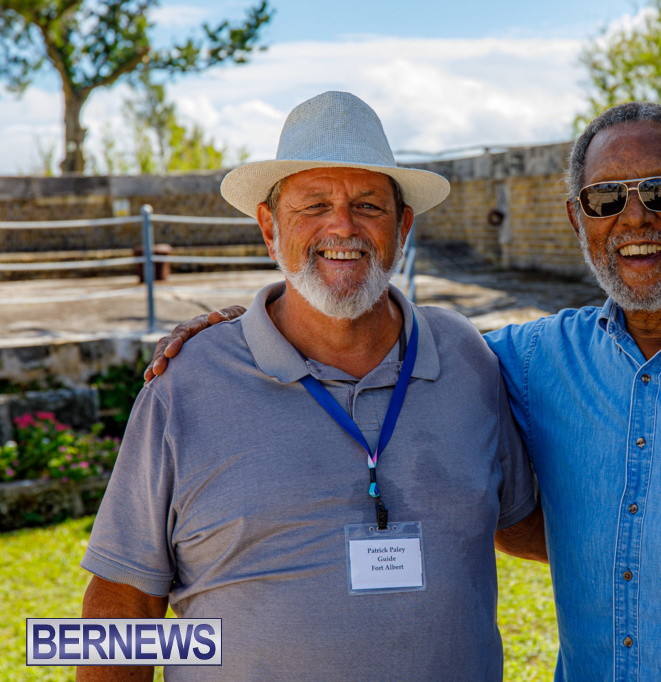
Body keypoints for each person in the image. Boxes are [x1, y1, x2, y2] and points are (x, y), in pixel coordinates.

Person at [148, 101, 661, 681]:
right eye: (607, 199)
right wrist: (250, 329)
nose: (636, 219)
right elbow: (110, 608)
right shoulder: (184, 395)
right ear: (577, 217)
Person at [80, 91, 543, 682]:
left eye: (369, 205)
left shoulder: (465, 357)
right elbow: (122, 605)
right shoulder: (187, 384)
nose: (342, 226)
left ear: (402, 227)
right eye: (314, 204)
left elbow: (523, 523)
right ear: (270, 228)